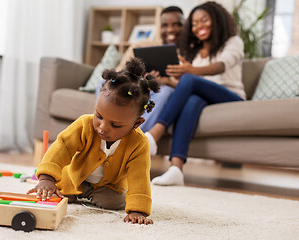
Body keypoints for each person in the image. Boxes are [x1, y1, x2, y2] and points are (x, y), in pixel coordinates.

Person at [28, 58, 160, 225]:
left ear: (136, 123)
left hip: (108, 187)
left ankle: (90, 195)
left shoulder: (139, 143)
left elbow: (139, 176)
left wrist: (137, 210)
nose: (103, 127)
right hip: (73, 179)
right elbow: (62, 146)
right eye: (99, 116)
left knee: (115, 202)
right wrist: (46, 178)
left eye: (115, 125)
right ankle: (72, 191)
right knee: (58, 190)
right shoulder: (84, 125)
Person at [145, 1, 246, 186]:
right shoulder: (196, 53)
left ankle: (154, 134)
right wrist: (165, 80)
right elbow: (188, 85)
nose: (199, 26)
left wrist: (190, 71)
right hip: (205, 99)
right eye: (194, 23)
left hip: (231, 98)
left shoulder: (233, 42)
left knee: (190, 80)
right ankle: (176, 169)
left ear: (217, 20)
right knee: (192, 100)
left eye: (204, 20)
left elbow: (221, 66)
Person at [96, 6, 185, 133]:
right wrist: (139, 79)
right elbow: (119, 71)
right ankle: (102, 125)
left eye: (177, 24)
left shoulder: (191, 54)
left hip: (161, 90)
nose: (170, 29)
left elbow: (190, 85)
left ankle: (132, 137)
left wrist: (164, 81)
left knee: (164, 92)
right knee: (102, 83)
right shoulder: (141, 45)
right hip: (137, 87)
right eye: (165, 25)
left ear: (185, 25)